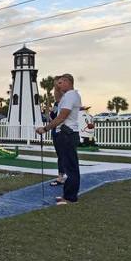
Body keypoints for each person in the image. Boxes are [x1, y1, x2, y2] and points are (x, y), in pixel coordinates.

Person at [36, 73, 82, 205]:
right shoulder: (68, 96)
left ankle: (70, 197)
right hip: (66, 134)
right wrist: (56, 87)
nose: (58, 85)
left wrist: (45, 129)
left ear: (68, 82)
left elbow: (62, 117)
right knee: (69, 166)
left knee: (71, 167)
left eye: (61, 82)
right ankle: (68, 195)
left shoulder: (71, 96)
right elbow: (57, 99)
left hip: (67, 134)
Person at [49, 76, 66, 187]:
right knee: (60, 155)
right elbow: (51, 116)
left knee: (65, 155)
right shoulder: (56, 104)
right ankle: (61, 176)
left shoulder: (66, 102)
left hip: (63, 132)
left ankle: (63, 176)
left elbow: (58, 117)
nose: (55, 93)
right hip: (55, 131)